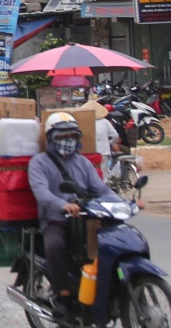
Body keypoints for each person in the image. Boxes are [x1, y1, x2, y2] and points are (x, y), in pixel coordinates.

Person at [26, 113, 110, 308]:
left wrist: (126, 202)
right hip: (56, 220)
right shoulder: (39, 163)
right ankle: (62, 293)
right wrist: (63, 205)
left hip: (86, 219)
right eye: (62, 137)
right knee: (54, 246)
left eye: (72, 136)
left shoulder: (83, 163)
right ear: (51, 138)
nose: (68, 141)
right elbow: (42, 193)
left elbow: (101, 190)